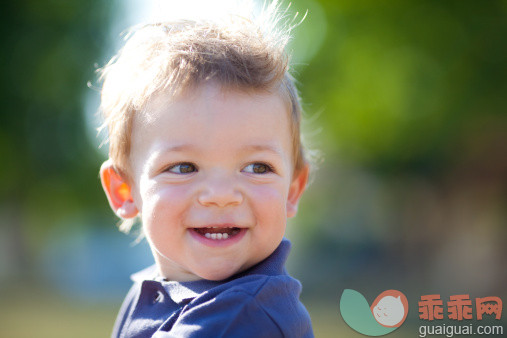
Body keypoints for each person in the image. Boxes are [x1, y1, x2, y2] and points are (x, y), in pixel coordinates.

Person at [98, 1, 314, 336]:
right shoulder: (152, 291)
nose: (221, 196)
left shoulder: (241, 317)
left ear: (293, 189)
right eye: (184, 167)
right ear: (123, 191)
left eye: (258, 167)